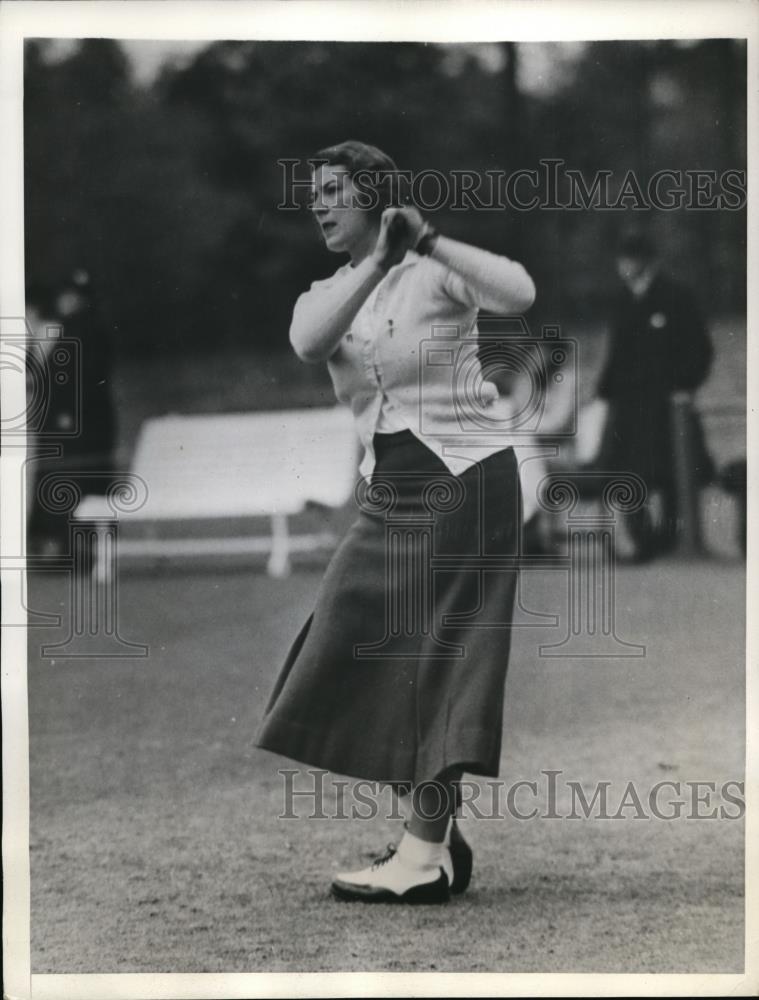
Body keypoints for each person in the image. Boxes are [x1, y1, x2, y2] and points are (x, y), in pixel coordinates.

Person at [255, 141, 536, 903]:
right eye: (313, 192)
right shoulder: (328, 291)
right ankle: (433, 836)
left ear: (374, 198)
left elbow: (517, 291)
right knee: (351, 638)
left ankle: (422, 854)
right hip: (389, 494)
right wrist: (378, 262)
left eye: (334, 191)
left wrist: (428, 241)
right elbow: (308, 342)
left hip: (466, 482)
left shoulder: (435, 270)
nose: (318, 204)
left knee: (439, 663)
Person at [594, 227, 714, 561]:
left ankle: (670, 540)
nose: (624, 266)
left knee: (675, 473)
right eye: (621, 259)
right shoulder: (621, 300)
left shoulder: (677, 296)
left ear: (647, 261)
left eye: (630, 259)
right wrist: (603, 393)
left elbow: (701, 350)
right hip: (629, 409)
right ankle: (643, 542)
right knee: (627, 476)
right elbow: (616, 354)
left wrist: (684, 386)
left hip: (667, 406)